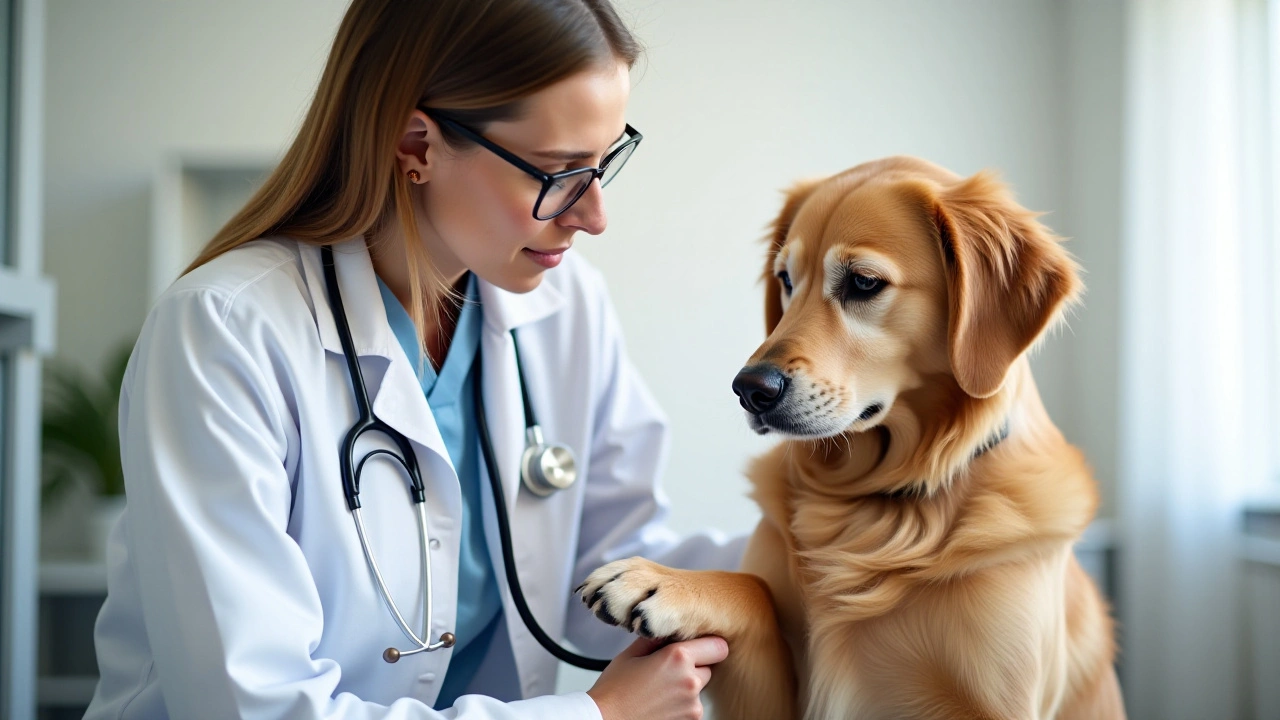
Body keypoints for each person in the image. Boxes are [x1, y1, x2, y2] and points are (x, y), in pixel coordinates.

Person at [83, 1, 744, 718]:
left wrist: (829, 541)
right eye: (557, 173)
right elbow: (253, 706)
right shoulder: (226, 331)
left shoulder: (564, 307)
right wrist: (597, 714)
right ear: (415, 143)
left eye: (603, 163)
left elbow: (616, 577)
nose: (593, 215)